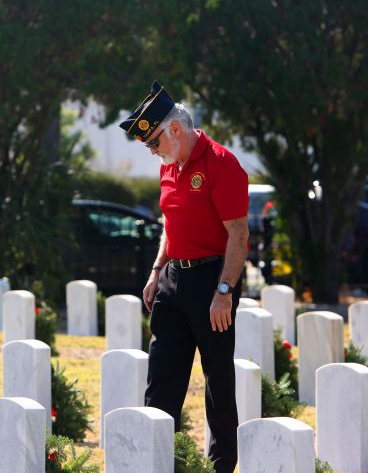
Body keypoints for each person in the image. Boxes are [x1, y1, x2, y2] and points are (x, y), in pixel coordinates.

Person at [118, 80, 249, 473]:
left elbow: (239, 233)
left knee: (217, 379)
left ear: (174, 128)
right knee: (162, 376)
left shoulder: (221, 164)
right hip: (173, 279)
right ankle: (157, 460)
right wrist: (157, 271)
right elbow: (170, 223)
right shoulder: (169, 166)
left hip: (212, 280)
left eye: (154, 142)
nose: (153, 151)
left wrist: (224, 290)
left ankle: (221, 464)